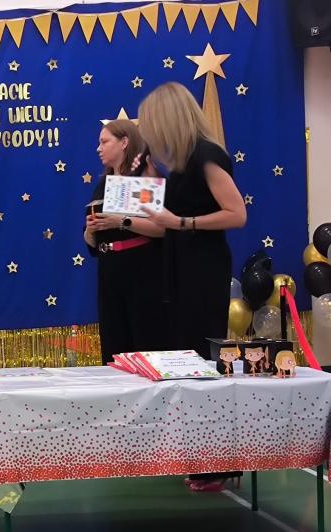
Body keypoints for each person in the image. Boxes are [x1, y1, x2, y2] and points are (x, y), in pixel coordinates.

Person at [137, 82, 247, 492]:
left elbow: (236, 214)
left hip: (203, 270)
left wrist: (183, 223)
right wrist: (146, 188)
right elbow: (163, 221)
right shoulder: (181, 166)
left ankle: (218, 460)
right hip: (180, 268)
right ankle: (200, 455)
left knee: (202, 359)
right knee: (185, 358)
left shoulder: (206, 156)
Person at [82, 120, 167, 364]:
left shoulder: (144, 177)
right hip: (109, 271)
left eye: (104, 142)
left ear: (124, 142)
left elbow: (161, 228)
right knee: (114, 346)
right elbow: (90, 238)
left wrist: (121, 221)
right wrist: (91, 231)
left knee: (145, 343)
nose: (98, 148)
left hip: (142, 271)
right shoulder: (102, 184)